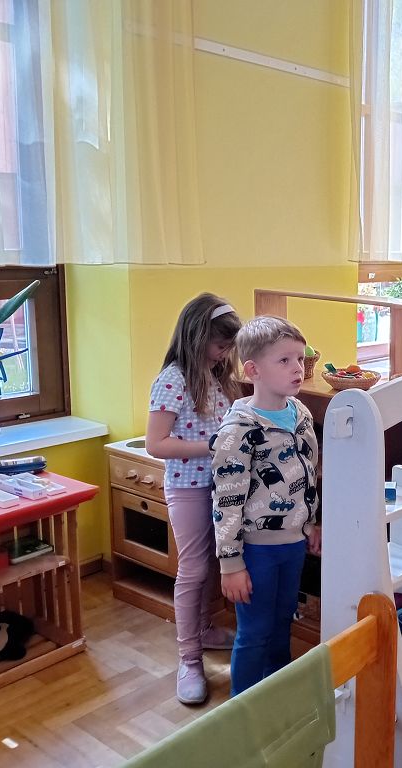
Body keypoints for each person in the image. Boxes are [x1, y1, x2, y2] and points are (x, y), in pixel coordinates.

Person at [210, 316, 321, 696]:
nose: (298, 368)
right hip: (255, 550)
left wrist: (312, 522)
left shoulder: (301, 414)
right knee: (255, 631)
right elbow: (226, 501)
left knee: (282, 622)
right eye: (284, 360)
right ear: (253, 370)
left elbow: (309, 473)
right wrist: (230, 565)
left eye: (300, 358)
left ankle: (276, 696)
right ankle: (242, 710)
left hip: (293, 545)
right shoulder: (238, 431)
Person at [146, 293, 242, 705]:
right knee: (194, 569)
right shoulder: (173, 379)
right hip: (187, 487)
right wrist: (214, 445)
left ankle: (203, 631)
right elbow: (156, 444)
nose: (224, 354)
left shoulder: (214, 377)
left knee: (214, 564)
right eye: (220, 345)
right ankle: (189, 660)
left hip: (220, 486)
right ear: (198, 337)